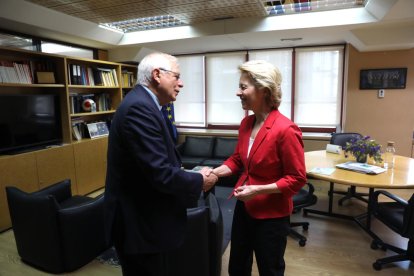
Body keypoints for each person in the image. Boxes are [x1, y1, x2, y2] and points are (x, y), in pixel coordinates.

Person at [104, 52, 217, 276]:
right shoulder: (139, 109)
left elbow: (152, 162)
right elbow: (160, 173)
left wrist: (185, 172)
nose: (181, 83)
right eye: (177, 76)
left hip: (145, 218)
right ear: (157, 75)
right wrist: (200, 180)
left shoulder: (145, 104)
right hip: (138, 224)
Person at [207, 60, 306, 275]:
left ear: (264, 89)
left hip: (271, 216)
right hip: (244, 207)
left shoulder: (286, 130)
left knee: (269, 269)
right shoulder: (246, 124)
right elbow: (238, 160)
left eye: (243, 87)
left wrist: (259, 190)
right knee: (237, 266)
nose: (237, 92)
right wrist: (215, 173)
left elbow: (296, 179)